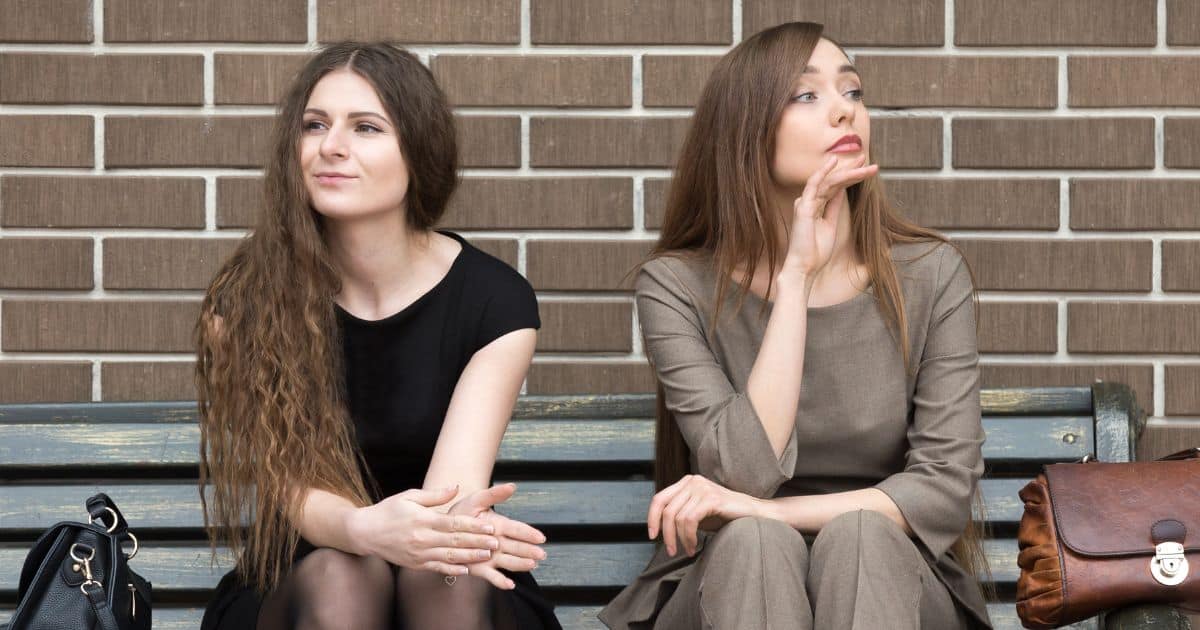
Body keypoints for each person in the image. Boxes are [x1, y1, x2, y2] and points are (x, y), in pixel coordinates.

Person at [599, 22, 991, 630]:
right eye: (806, 95)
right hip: (731, 581)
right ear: (744, 130)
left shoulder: (931, 274)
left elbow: (942, 489)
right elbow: (743, 474)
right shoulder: (677, 285)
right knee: (754, 544)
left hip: (893, 580)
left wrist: (775, 513)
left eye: (852, 91)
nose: (843, 111)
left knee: (858, 537)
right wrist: (796, 279)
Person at [195, 42, 561, 630]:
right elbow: (294, 494)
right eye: (315, 125)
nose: (331, 146)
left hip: (444, 571)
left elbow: (451, 504)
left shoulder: (494, 301)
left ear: (419, 151)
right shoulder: (244, 301)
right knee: (343, 575)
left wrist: (442, 534)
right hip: (303, 579)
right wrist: (364, 529)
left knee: (448, 578)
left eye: (365, 127)